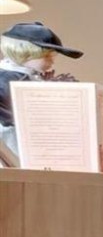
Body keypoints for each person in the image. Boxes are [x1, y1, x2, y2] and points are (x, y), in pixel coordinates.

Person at [0, 20, 84, 164]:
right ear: (24, 53)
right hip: (14, 144)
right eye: (47, 57)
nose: (51, 62)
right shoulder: (8, 79)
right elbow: (17, 118)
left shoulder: (28, 77)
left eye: (53, 57)